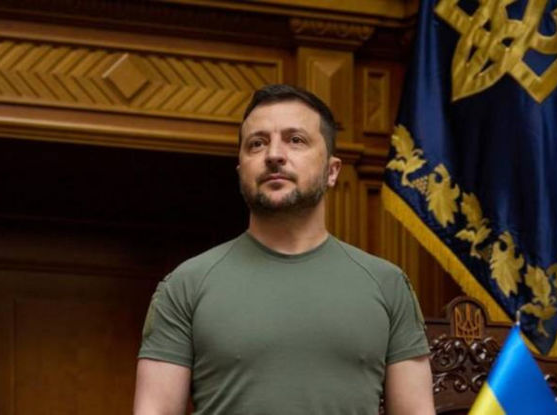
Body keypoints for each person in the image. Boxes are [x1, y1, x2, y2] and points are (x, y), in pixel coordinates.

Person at [133, 84, 435, 415]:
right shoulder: (184, 285)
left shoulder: (389, 285)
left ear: (332, 170)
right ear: (241, 171)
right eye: (257, 143)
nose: (274, 155)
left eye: (296, 140)